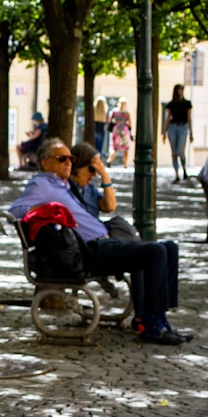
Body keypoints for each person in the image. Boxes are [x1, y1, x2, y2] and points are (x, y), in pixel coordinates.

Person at [10, 138, 189, 345]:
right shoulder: (41, 184)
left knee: (170, 248)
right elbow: (16, 211)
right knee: (156, 251)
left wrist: (102, 172)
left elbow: (107, 202)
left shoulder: (66, 185)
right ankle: (153, 325)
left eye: (71, 158)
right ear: (45, 163)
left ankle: (161, 318)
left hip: (105, 242)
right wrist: (45, 211)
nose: (68, 162)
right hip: (91, 251)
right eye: (62, 158)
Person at [68, 142, 116, 218]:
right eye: (91, 169)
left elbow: (109, 207)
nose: (94, 174)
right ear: (78, 166)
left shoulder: (91, 189)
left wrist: (104, 175)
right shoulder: (64, 188)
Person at [163, 84, 193, 182]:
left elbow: (189, 118)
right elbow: (168, 118)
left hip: (183, 128)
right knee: (174, 153)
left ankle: (184, 170)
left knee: (180, 151)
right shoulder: (171, 104)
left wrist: (191, 133)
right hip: (172, 128)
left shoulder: (187, 104)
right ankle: (176, 174)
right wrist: (164, 132)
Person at [108, 99, 132, 168]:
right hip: (124, 131)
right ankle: (125, 164)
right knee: (126, 149)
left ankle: (109, 160)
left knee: (115, 148)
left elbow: (110, 120)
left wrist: (116, 122)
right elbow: (130, 123)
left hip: (116, 130)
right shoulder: (127, 113)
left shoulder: (114, 112)